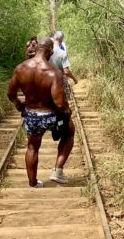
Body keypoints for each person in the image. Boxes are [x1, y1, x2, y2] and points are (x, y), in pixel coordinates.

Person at [7, 37, 74, 187]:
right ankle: (58, 171)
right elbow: (59, 103)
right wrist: (67, 113)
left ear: (36, 49)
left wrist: (19, 105)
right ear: (50, 52)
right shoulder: (53, 73)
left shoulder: (20, 68)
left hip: (32, 115)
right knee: (69, 133)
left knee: (32, 147)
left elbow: (11, 93)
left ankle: (33, 182)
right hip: (51, 115)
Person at [50, 30, 78, 95]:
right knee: (66, 96)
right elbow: (66, 71)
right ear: (62, 40)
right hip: (58, 79)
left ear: (54, 38)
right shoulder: (63, 53)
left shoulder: (48, 51)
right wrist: (74, 79)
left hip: (46, 78)